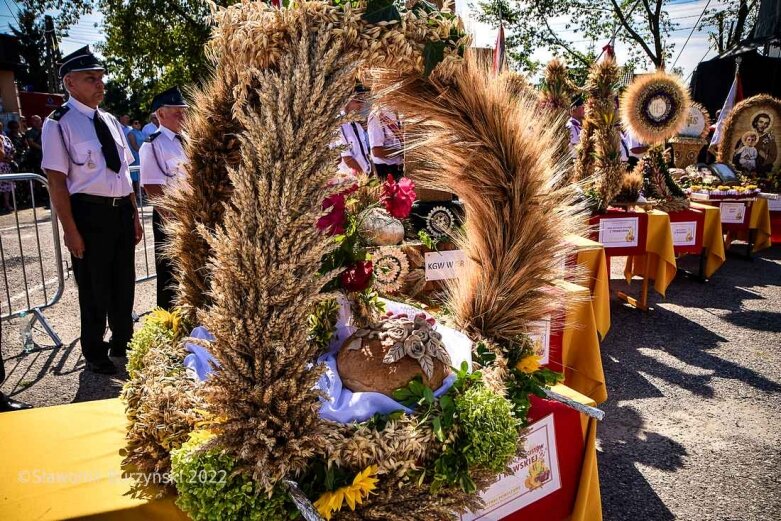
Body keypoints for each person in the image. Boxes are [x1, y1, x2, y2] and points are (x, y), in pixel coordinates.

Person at [41, 46, 142, 375]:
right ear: (70, 83)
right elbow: (56, 182)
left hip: (120, 212)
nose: (100, 84)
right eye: (91, 79)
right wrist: (70, 230)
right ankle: (95, 351)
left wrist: (135, 214)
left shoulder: (111, 120)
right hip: (89, 214)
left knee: (124, 281)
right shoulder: (58, 124)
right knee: (95, 286)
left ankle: (122, 341)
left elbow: (124, 174)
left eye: (100, 78)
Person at [140, 86, 189, 310]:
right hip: (169, 216)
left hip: (190, 213)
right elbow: (152, 187)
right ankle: (169, 320)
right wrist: (171, 222)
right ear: (160, 114)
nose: (183, 115)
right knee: (169, 273)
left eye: (184, 111)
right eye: (177, 112)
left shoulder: (188, 140)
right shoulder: (153, 144)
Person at [337, 92, 372, 176]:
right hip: (351, 179)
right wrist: (364, 179)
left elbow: (366, 154)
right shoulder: (338, 125)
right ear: (347, 100)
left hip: (366, 174)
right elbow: (347, 158)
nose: (362, 105)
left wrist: (372, 174)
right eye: (358, 101)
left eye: (363, 101)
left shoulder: (356, 124)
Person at [368, 107, 404, 180]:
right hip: (386, 171)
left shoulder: (400, 113)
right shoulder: (376, 116)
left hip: (400, 167)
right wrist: (402, 152)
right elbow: (377, 151)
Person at [0, 123, 15, 213]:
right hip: (2, 164)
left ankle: (7, 204)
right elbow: (1, 154)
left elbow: (13, 149)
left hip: (6, 165)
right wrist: (6, 159)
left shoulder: (5, 138)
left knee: (7, 186)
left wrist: (11, 157)